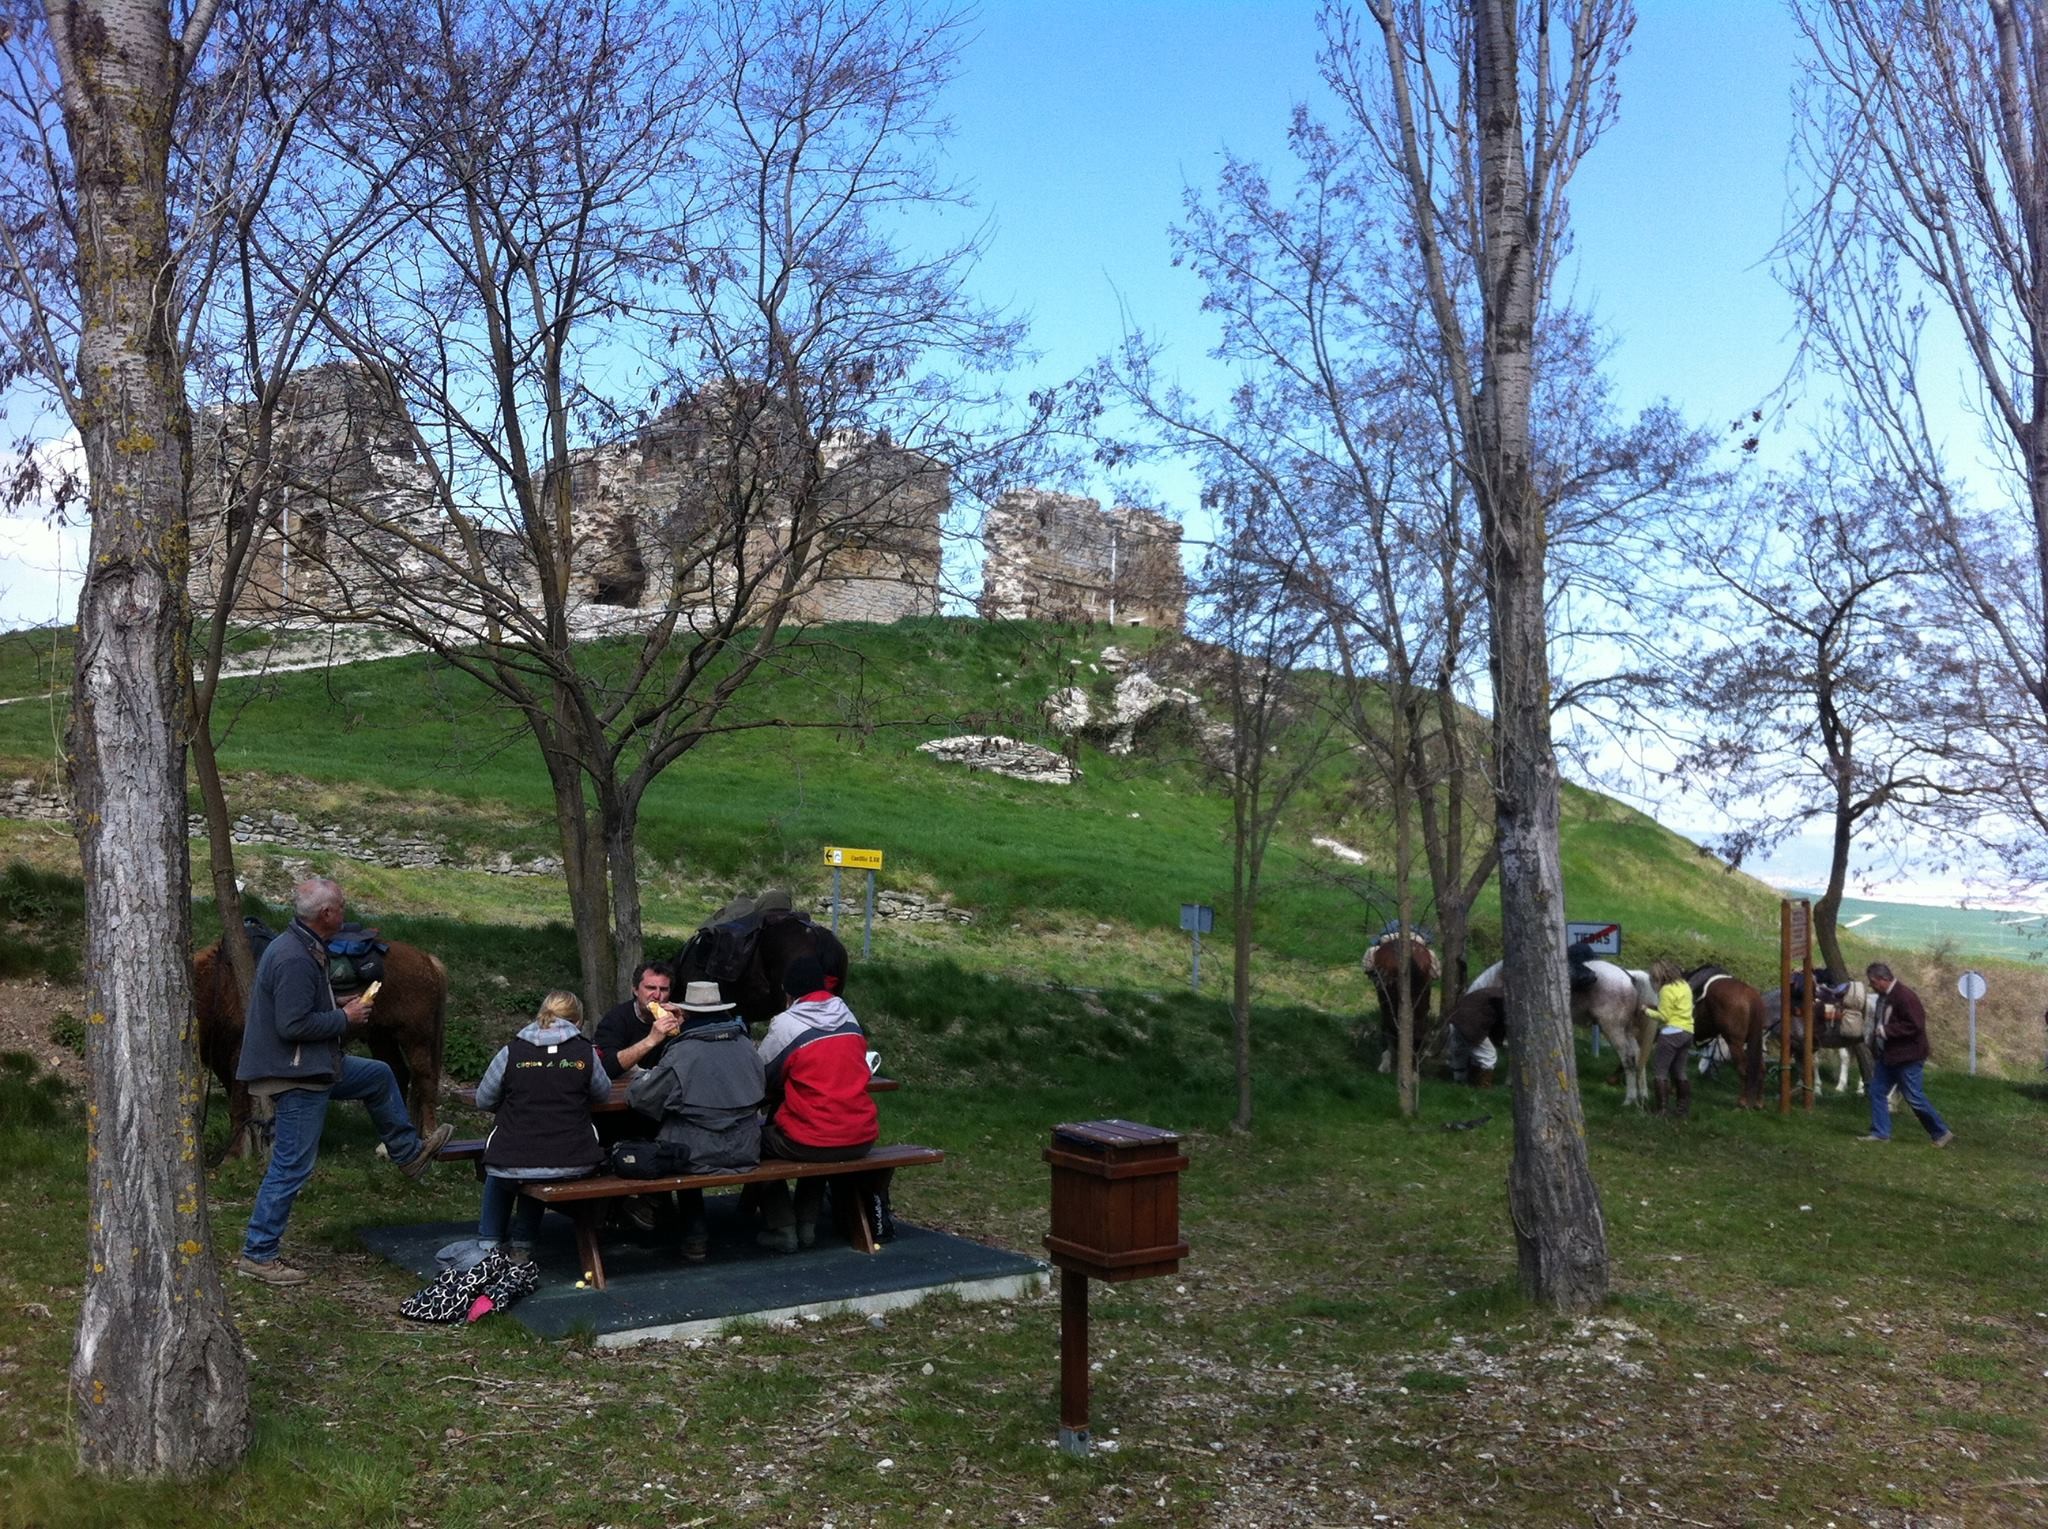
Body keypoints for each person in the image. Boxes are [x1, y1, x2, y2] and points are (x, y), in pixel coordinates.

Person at [237, 877, 454, 1285]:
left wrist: (334, 1002)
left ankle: (408, 1153)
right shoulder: (294, 957)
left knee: (377, 1075)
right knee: (292, 1165)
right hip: (296, 1073)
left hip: (314, 1064)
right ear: (326, 914)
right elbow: (292, 1025)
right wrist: (345, 1017)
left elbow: (300, 1006)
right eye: (341, 905)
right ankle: (258, 1253)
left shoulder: (303, 945)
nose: (345, 911)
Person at [627, 981, 764, 1261]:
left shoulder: (684, 1051)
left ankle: (694, 1233)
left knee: (673, 1142)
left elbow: (642, 1098)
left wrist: (642, 1077)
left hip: (697, 1153)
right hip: (747, 1148)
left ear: (686, 1014)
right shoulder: (746, 1046)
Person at [472, 991, 612, 1266]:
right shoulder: (585, 1053)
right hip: (574, 1157)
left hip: (514, 1155)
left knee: (508, 1169)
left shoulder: (512, 1051)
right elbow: (603, 1093)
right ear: (578, 1021)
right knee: (541, 1161)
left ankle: (488, 1243)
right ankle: (522, 1244)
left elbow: (483, 1099)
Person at [753, 954, 876, 1253]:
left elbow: (762, 1074)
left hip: (813, 1139)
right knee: (819, 1133)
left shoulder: (788, 1025)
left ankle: (783, 1225)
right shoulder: (848, 1016)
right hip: (861, 1136)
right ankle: (807, 1224)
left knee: (749, 1141)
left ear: (789, 992)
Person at [1858, 962, 1954, 1147]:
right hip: (1889, 1056)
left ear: (1884, 979)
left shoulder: (1905, 997)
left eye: (1873, 982)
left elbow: (1915, 1025)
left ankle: (1941, 1132)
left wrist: (1886, 1031)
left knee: (1914, 1097)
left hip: (1908, 1057)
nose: (1871, 986)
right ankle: (1880, 1132)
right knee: (1876, 1090)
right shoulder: (1884, 996)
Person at [592, 961, 679, 1080]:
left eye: (663, 989)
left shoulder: (675, 1017)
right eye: (650, 988)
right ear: (635, 990)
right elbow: (606, 1067)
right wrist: (651, 1040)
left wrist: (682, 1028)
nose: (657, 995)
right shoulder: (616, 1018)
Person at [1644, 958, 1695, 1119]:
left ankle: (1662, 1110)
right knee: (1680, 1071)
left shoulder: (1666, 990)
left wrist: (1646, 1010)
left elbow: (1664, 1016)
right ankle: (1682, 1109)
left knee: (1660, 1071)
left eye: (1654, 978)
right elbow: (1675, 1008)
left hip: (1671, 1033)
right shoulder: (1684, 985)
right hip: (1687, 1032)